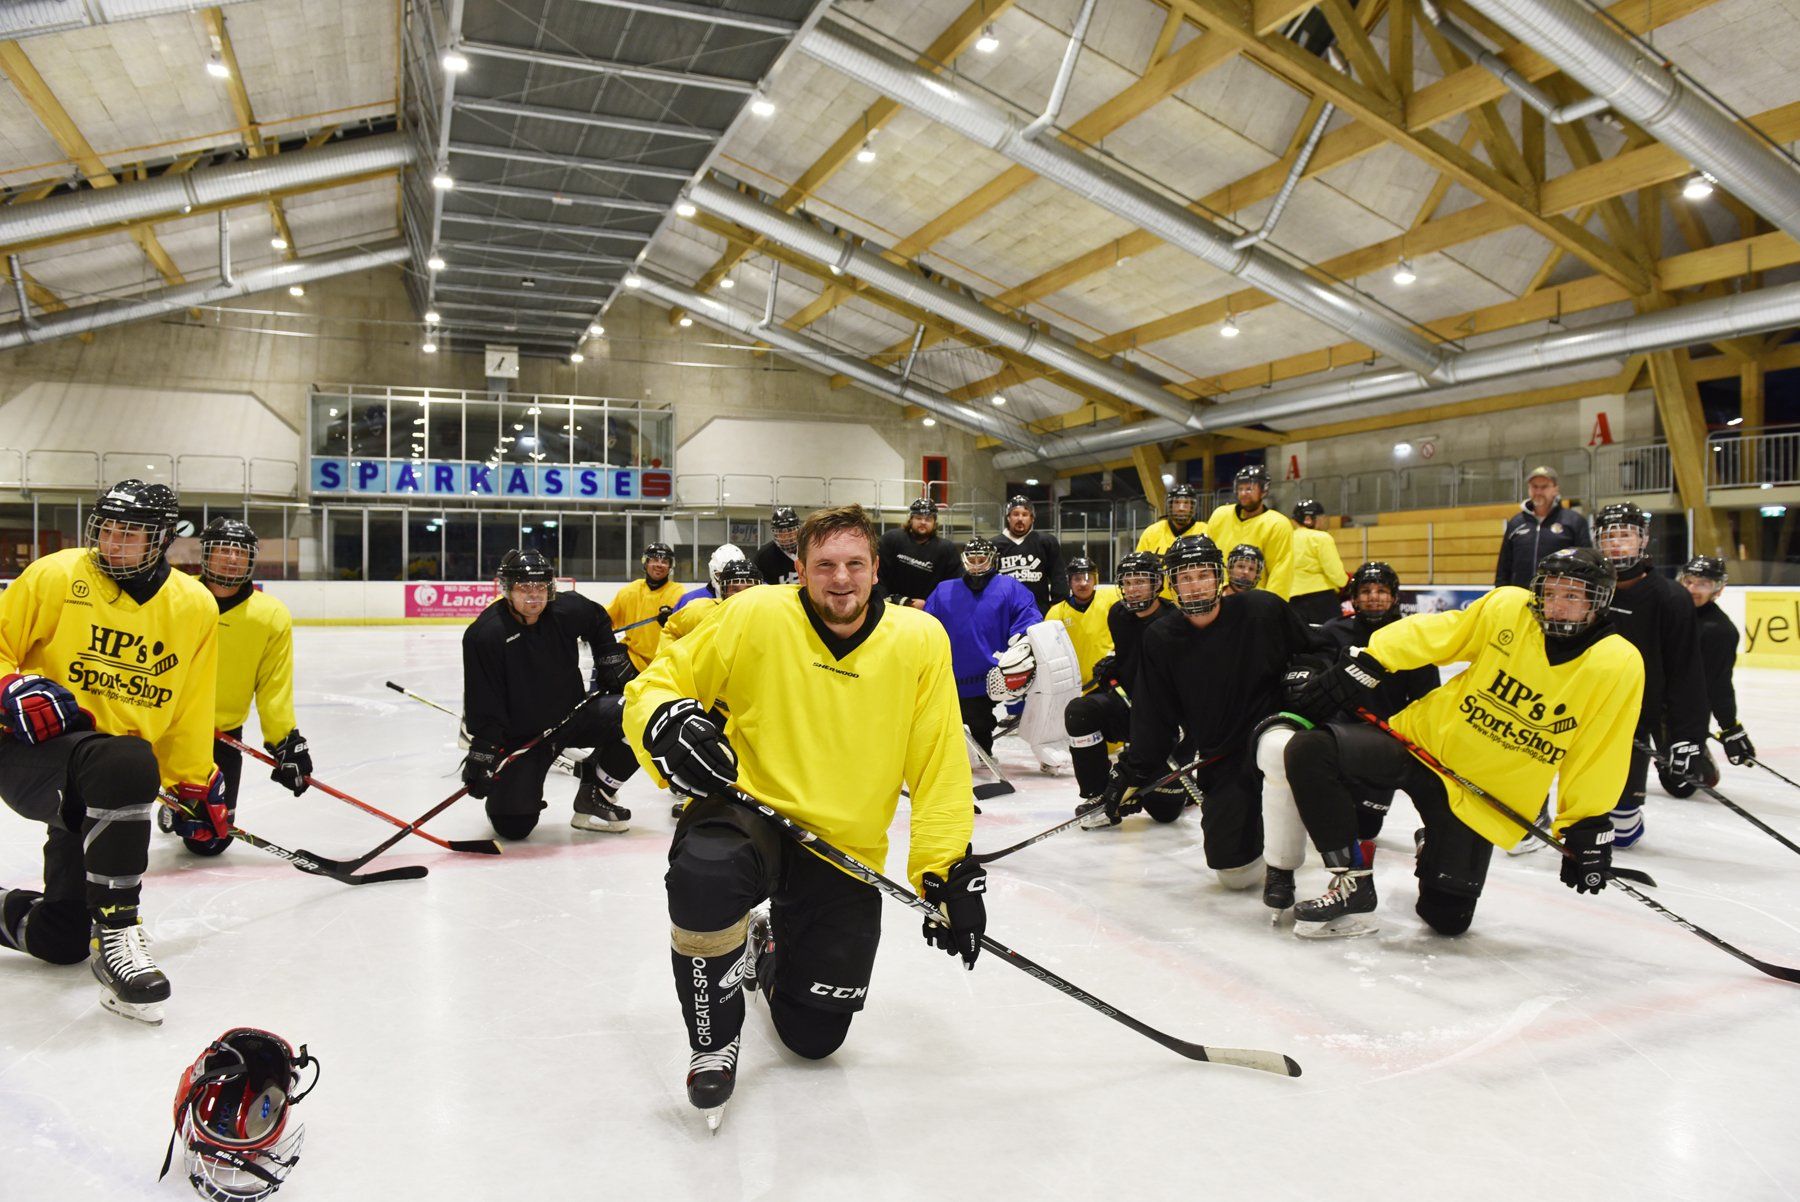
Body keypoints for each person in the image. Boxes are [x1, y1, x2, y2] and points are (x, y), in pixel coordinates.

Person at [621, 504, 981, 1124]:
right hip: (750, 810)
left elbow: (938, 762)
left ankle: (764, 945)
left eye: (854, 564)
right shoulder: (756, 614)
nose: (840, 579)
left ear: (876, 570)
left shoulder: (920, 639)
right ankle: (714, 1039)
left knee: (814, 1038)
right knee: (705, 874)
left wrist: (945, 871)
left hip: (843, 846)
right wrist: (663, 723)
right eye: (824, 565)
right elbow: (657, 683)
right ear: (800, 570)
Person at [1283, 548, 1643, 939]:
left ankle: (1433, 845)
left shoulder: (1617, 662)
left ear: (1598, 602)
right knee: (1310, 750)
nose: (1555, 605)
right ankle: (1352, 878)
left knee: (1447, 919)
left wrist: (1585, 823)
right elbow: (1441, 633)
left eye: (1571, 596)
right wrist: (1374, 659)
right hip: (1418, 746)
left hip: (1479, 796)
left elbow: (1600, 748)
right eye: (1549, 592)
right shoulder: (1510, 608)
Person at [0, 479, 221, 1024]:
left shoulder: (194, 604)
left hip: (110, 783)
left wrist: (194, 780)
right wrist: (7, 685)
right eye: (108, 529)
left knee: (61, 938)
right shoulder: (55, 575)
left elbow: (192, 703)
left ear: (162, 540)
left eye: (130, 533)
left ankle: (70, 929)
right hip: (34, 753)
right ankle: (119, 933)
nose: (113, 542)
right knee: (127, 760)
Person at [1090, 536, 1314, 889]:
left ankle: (1292, 838)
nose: (1195, 586)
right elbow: (1154, 715)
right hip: (1222, 756)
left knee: (1279, 756)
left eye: (1203, 575)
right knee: (1235, 875)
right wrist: (1132, 772)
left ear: (1218, 576)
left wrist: (1307, 674)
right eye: (1185, 577)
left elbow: (1316, 650)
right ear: (1173, 584)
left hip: (1275, 733)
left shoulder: (1262, 609)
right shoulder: (1161, 638)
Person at [1259, 561, 1438, 916]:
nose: (1374, 598)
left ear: (1394, 597)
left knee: (1366, 828)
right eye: (1366, 591)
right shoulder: (1333, 632)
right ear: (1353, 598)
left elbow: (1428, 700)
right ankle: (1290, 865)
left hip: (1386, 741)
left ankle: (1432, 835)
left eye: (1381, 591)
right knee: (1308, 778)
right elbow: (1308, 677)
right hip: (1337, 738)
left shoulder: (1411, 636)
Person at [461, 549, 639, 839]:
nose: (534, 595)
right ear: (507, 589)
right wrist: (484, 750)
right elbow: (484, 699)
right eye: (524, 587)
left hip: (573, 717)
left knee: (642, 713)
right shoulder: (485, 635)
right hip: (525, 738)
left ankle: (597, 792)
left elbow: (597, 618)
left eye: (540, 586)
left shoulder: (565, 610)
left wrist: (609, 657)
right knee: (513, 826)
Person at [188, 518, 310, 858]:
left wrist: (285, 742)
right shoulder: (177, 596)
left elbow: (274, 685)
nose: (231, 559)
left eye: (240, 553)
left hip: (223, 732)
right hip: (167, 730)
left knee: (211, 842)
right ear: (206, 554)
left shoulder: (270, 614)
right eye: (222, 550)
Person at [1591, 503, 1707, 845]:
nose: (1616, 544)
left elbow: (1686, 672)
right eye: (1609, 536)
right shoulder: (1589, 589)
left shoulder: (1671, 598)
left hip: (1647, 710)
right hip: (1595, 709)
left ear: (1642, 540)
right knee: (1593, 816)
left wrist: (1688, 735)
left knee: (1624, 835)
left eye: (1625, 535)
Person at [1064, 551, 1181, 819]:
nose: (1132, 589)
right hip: (1129, 706)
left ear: (1157, 583)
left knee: (1164, 812)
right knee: (1080, 711)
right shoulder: (1118, 614)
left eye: (1140, 581)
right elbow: (1131, 655)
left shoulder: (1174, 621)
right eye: (1127, 582)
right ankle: (1097, 791)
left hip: (1165, 721)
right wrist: (1114, 666)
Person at [923, 536, 1040, 755]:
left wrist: (1020, 641)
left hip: (991, 677)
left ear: (992, 559)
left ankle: (982, 754)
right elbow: (927, 626)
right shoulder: (944, 590)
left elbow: (1028, 616)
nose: (976, 565)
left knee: (978, 721)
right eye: (972, 559)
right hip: (949, 675)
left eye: (982, 559)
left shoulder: (1009, 587)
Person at [1672, 555, 1753, 793]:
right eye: (1689, 581)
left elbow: (1718, 685)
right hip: (1652, 696)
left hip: (1685, 707)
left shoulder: (1720, 631)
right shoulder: (1666, 612)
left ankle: (1698, 750)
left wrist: (1730, 727)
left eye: (1703, 584)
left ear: (1717, 590)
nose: (1692, 589)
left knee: (1682, 786)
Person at [1204, 465, 1293, 598]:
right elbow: (1208, 557)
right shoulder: (1220, 515)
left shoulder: (1278, 524)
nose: (1243, 493)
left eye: (1249, 489)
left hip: (1255, 599)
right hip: (1219, 597)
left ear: (1264, 491)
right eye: (1240, 489)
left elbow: (1280, 570)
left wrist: (1272, 604)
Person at [1495, 465, 1590, 587]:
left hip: (1557, 595)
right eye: (1534, 487)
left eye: (1544, 487)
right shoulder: (1516, 523)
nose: (1538, 492)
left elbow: (1585, 564)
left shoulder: (1574, 521)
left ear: (1555, 489)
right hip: (1521, 595)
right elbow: (1504, 567)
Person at [657, 559, 762, 655]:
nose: (742, 595)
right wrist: (672, 661)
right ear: (723, 591)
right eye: (734, 590)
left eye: (750, 589)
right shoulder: (699, 611)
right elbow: (670, 632)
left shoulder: (767, 616)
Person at [607, 543, 684, 673]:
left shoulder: (679, 593)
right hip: (632, 660)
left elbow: (686, 627)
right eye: (654, 560)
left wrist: (672, 621)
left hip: (664, 663)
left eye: (665, 561)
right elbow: (606, 617)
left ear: (670, 566)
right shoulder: (630, 591)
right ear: (646, 563)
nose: (659, 565)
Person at [1044, 556, 1119, 685]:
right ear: (1069, 582)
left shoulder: (1112, 600)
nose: (1083, 583)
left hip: (1107, 680)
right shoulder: (1056, 613)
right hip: (1071, 685)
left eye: (1088, 578)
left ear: (1095, 580)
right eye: (1077, 579)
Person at [877, 499, 961, 608]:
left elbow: (952, 586)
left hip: (926, 612)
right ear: (911, 519)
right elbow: (876, 573)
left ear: (934, 522)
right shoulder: (891, 539)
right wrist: (887, 600)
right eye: (918, 518)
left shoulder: (947, 550)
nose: (923, 522)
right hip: (890, 607)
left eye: (928, 519)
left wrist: (930, 604)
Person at [996, 495, 1065, 613]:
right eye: (1015, 514)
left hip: (1039, 613)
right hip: (1005, 614)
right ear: (1008, 518)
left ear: (1032, 518)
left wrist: (1058, 607)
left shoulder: (1046, 542)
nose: (1020, 518)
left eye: (1025, 514)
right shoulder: (994, 546)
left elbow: (1058, 578)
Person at [1136, 483, 1204, 599]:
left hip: (1194, 600)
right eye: (1176, 502)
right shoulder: (1152, 532)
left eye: (1186, 503)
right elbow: (1139, 569)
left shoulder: (1205, 531)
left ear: (1193, 506)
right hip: (1158, 602)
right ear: (1170, 505)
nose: (1181, 508)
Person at [1287, 499, 1349, 625]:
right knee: (1329, 634)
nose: (1323, 521)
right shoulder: (1321, 538)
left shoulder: (1287, 538)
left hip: (1292, 599)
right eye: (1321, 518)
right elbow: (1335, 572)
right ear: (1309, 519)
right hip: (1322, 599)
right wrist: (1344, 582)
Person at [673, 544, 745, 612]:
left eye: (732, 576)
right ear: (712, 573)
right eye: (721, 575)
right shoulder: (688, 601)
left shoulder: (748, 601)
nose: (726, 582)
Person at [754, 507, 801, 585]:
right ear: (775, 533)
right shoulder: (764, 556)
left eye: (790, 531)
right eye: (781, 532)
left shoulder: (809, 548)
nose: (786, 537)